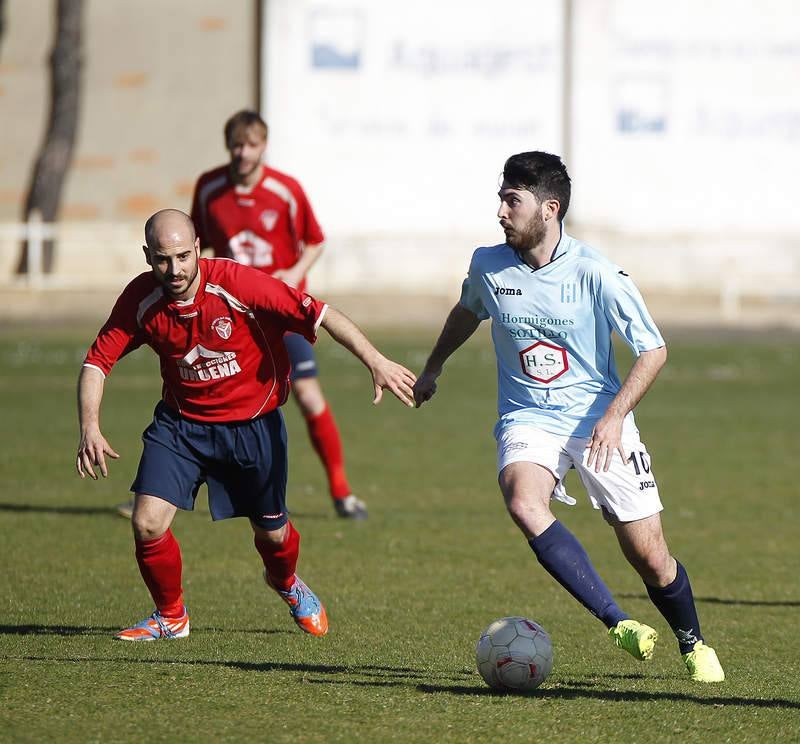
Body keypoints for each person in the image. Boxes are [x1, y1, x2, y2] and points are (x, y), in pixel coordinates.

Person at [412, 151, 725, 683]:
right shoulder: (489, 265)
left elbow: (653, 350)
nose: (501, 212)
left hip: (598, 419)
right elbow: (468, 309)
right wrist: (432, 367)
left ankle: (691, 641)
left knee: (650, 556)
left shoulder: (597, 273)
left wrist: (614, 417)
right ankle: (618, 622)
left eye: (514, 200)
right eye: (501, 199)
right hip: (527, 415)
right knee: (522, 500)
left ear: (549, 208)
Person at [78, 209, 416, 641]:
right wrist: (90, 425)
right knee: (147, 522)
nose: (175, 269)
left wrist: (376, 360)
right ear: (148, 256)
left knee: (273, 536)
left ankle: (287, 583)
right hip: (182, 426)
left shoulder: (240, 285)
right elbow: (96, 362)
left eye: (183, 256)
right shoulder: (142, 299)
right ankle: (172, 616)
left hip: (253, 428)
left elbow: (322, 313)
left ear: (198, 249)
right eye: (163, 259)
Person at [187, 108, 365, 521]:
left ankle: (341, 492)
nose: (243, 153)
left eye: (251, 145)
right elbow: (197, 245)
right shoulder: (210, 187)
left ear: (264, 145)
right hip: (232, 312)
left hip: (282, 311)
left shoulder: (286, 190)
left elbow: (315, 240)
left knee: (306, 394)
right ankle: (167, 489)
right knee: (208, 396)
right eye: (236, 145)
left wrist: (294, 273)